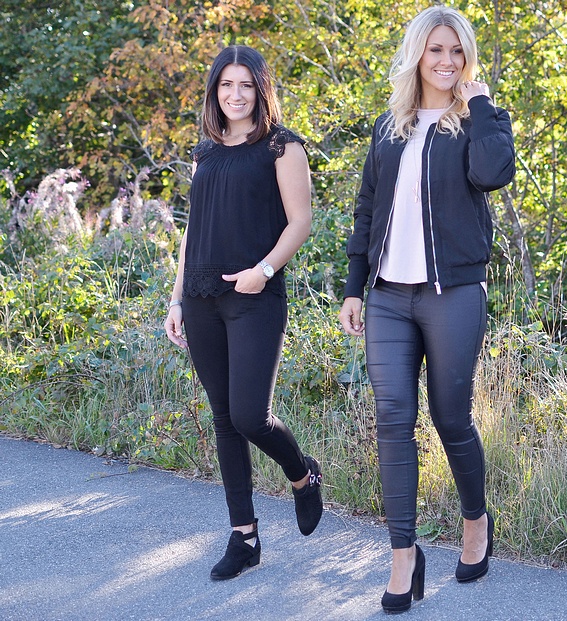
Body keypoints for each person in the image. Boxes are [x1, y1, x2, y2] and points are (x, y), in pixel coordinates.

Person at [338, 5, 515, 614]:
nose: (446, 60)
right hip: (388, 295)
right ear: (418, 54)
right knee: (392, 420)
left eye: (456, 50)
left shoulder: (480, 122)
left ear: (468, 58)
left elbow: (492, 174)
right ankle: (402, 557)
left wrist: (481, 102)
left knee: (450, 418)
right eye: (436, 49)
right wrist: (354, 286)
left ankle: (475, 523)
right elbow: (367, 209)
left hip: (453, 294)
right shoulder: (390, 128)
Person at [164, 45, 322, 581]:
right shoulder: (206, 151)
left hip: (255, 296)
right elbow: (194, 229)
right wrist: (176, 298)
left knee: (250, 416)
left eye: (246, 85)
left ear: (261, 89)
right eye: (226, 85)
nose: (236, 94)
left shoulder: (282, 146)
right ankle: (244, 536)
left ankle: (303, 476)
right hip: (201, 298)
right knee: (223, 419)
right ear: (215, 90)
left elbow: (300, 222)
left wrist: (265, 270)